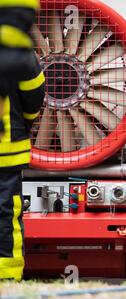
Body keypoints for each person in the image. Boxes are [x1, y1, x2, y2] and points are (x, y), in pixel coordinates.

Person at [0, 0, 45, 281]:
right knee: (6, 215)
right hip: (8, 152)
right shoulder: (21, 57)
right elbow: (34, 99)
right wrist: (26, 121)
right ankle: (6, 278)